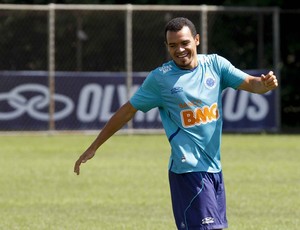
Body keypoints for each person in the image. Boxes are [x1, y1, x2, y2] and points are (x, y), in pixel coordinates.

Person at [74, 17, 278, 230]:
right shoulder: (160, 79)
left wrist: (264, 84)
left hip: (214, 169)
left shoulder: (216, 65)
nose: (179, 49)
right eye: (173, 45)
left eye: (184, 43)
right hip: (188, 171)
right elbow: (127, 111)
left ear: (196, 40)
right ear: (167, 47)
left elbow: (251, 84)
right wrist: (94, 146)